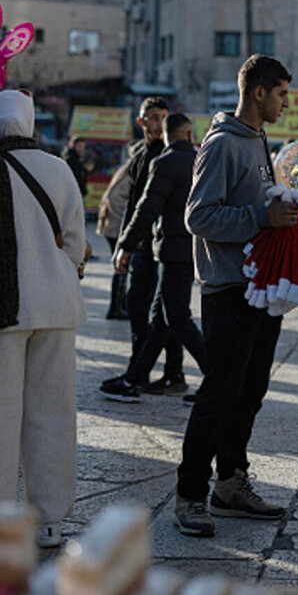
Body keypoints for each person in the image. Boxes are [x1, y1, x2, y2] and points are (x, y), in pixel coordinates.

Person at [173, 55, 298, 537]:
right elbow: (199, 217)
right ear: (259, 92)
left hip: (261, 286)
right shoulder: (223, 144)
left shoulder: (258, 139)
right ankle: (189, 495)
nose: (287, 102)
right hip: (229, 287)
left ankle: (230, 483)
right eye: (282, 93)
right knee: (219, 393)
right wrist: (260, 219)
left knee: (249, 392)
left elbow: (252, 203)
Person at [0, 90, 87, 548]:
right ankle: (49, 520)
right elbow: (75, 243)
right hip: (57, 306)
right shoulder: (59, 169)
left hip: (0, 309)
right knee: (54, 412)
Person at [104, 114, 208, 402]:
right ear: (189, 134)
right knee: (160, 319)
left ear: (165, 136)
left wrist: (125, 245)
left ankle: (218, 379)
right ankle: (134, 379)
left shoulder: (164, 163)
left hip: (172, 251)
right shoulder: (202, 161)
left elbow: (147, 208)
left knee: (177, 318)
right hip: (192, 249)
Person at [97, 158, 132, 319]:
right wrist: (124, 227)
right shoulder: (132, 168)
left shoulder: (126, 166)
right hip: (115, 227)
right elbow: (116, 198)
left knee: (121, 267)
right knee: (122, 266)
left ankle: (119, 306)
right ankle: (116, 308)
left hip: (110, 224)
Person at [62, 135, 89, 200]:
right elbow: (75, 175)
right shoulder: (70, 158)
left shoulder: (77, 157)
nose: (81, 149)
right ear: (72, 145)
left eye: (83, 147)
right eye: (79, 146)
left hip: (77, 191)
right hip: (72, 192)